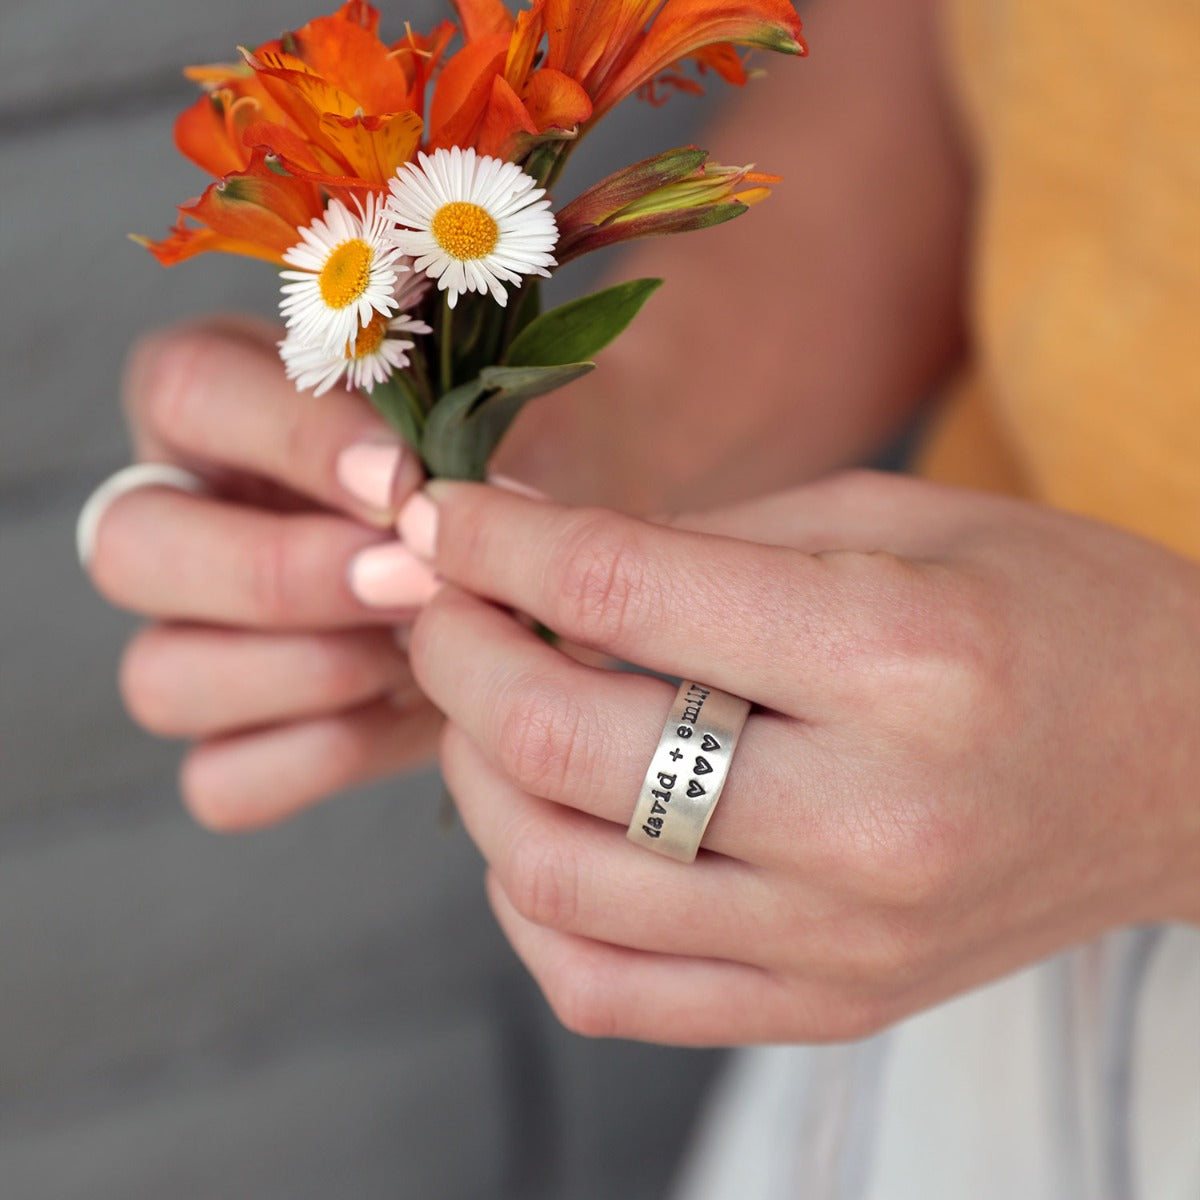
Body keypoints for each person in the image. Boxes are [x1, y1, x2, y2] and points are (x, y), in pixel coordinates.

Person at [78, 0, 1199, 1195]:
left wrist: (1163, 762)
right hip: (959, 903)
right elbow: (987, 84)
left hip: (1007, 829)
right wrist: (559, 450)